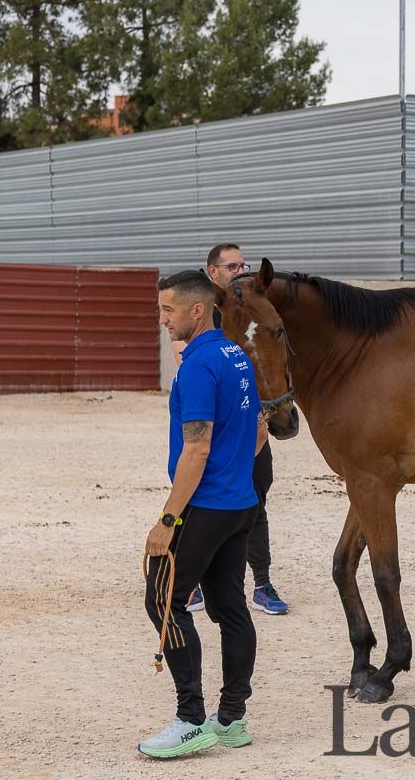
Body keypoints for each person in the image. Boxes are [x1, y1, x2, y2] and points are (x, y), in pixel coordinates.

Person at [137, 270, 259, 759]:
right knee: (229, 606)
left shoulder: (199, 366)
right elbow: (258, 433)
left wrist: (167, 521)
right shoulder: (237, 355)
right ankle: (231, 719)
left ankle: (191, 720)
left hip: (205, 507)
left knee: (163, 601)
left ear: (195, 310)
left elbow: (197, 449)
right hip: (240, 504)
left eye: (168, 311)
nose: (161, 319)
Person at [179, 243, 289, 616]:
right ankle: (192, 581)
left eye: (243, 263)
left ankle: (261, 582)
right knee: (197, 496)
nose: (239, 269)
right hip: (212, 421)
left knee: (255, 497)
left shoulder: (250, 308)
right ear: (213, 273)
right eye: (232, 265)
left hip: (248, 419)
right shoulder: (202, 313)